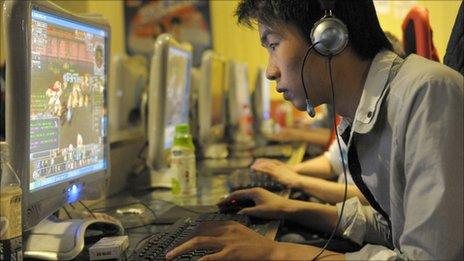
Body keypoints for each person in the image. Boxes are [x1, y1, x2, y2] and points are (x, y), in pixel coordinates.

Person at [166, 1, 464, 260]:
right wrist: (290, 208)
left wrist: (274, 252)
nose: (270, 70)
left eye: (273, 44)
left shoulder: (427, 94)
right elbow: (392, 225)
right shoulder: (368, 111)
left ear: (328, 37)